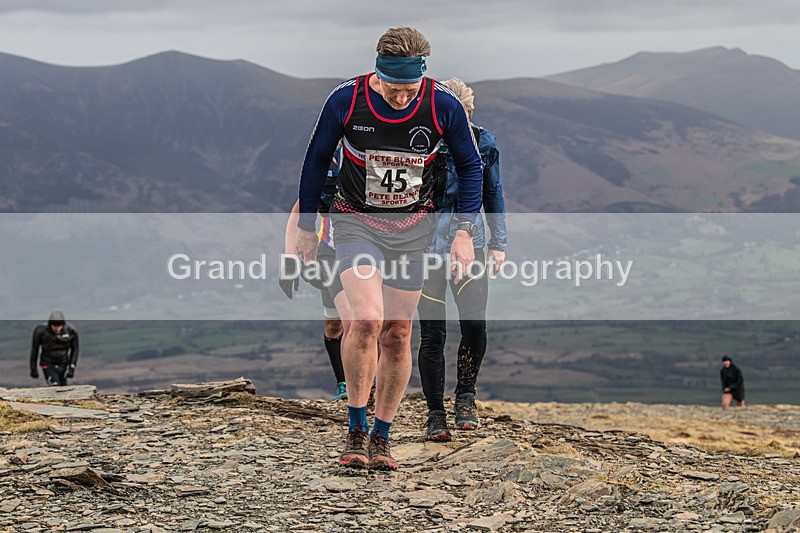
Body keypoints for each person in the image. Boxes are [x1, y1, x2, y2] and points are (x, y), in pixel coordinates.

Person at [294, 27, 483, 470]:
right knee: (366, 319)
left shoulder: (442, 105)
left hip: (414, 229)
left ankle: (382, 435)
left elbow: (471, 166)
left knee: (397, 333)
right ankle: (355, 429)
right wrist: (307, 227)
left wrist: (463, 233)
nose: (401, 98)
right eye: (393, 88)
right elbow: (316, 159)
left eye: (409, 89)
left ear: (422, 77)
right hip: (357, 222)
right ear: (378, 74)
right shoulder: (346, 99)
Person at [417, 78, 507, 441]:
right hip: (425, 248)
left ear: (469, 112)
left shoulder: (484, 142)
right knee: (432, 333)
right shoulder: (420, 144)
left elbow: (493, 191)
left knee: (473, 325)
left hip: (472, 247)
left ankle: (466, 397)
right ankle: (435, 413)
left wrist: (499, 242)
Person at [282, 148, 349, 401]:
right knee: (334, 324)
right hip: (330, 250)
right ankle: (343, 382)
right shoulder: (328, 156)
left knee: (357, 319)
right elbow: (299, 211)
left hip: (368, 252)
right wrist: (290, 262)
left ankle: (365, 381)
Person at [30, 310, 79, 386]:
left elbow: (75, 349)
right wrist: (33, 368)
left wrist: (72, 367)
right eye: (55, 326)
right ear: (50, 325)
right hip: (48, 363)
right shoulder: (40, 331)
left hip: (63, 363)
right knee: (55, 387)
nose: (57, 329)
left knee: (63, 388)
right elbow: (34, 350)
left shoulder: (70, 331)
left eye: (59, 326)